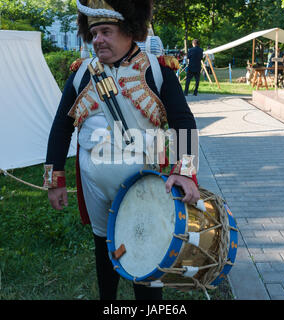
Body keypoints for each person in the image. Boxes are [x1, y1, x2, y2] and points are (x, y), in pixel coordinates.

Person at [45, 0, 200, 300]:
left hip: (144, 186)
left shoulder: (158, 71)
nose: (98, 39)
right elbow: (61, 127)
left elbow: (183, 122)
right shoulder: (81, 74)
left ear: (129, 30)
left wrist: (186, 172)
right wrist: (55, 180)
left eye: (106, 31)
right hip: (94, 188)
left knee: (147, 252)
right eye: (94, 33)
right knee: (104, 250)